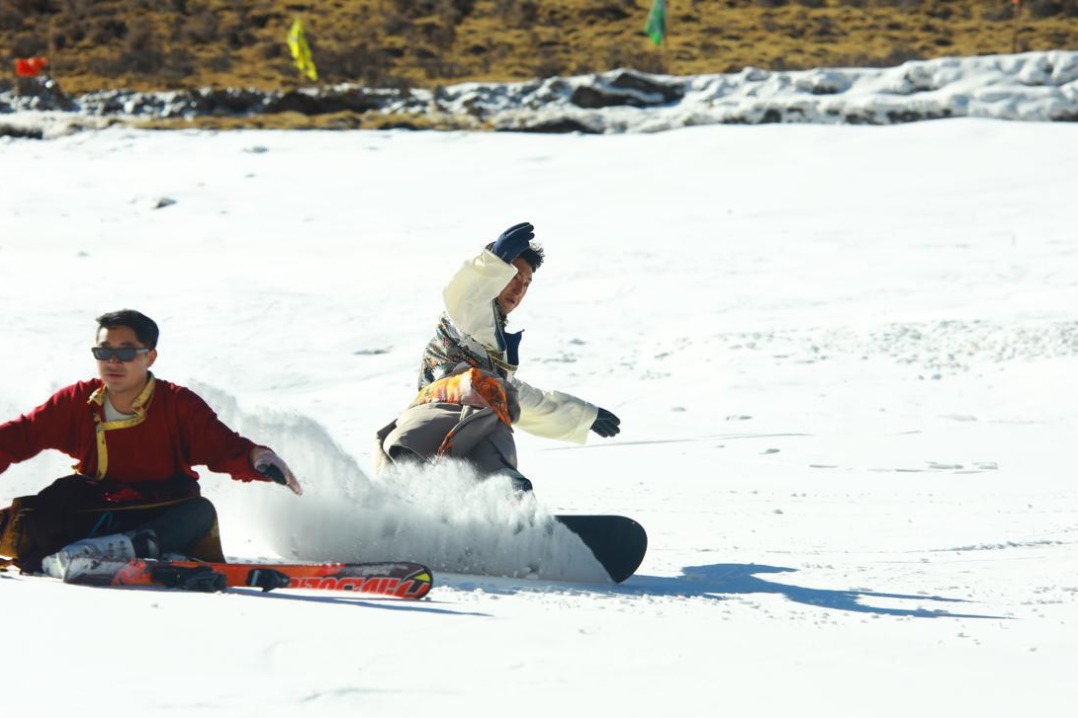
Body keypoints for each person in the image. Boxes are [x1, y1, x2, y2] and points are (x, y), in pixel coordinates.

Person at [0, 309, 301, 578]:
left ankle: (114, 550)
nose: (113, 362)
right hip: (94, 509)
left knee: (198, 513)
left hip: (159, 509)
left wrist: (258, 457)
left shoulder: (177, 404)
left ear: (150, 356)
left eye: (126, 352)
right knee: (23, 520)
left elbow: (224, 446)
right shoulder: (78, 400)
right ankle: (87, 554)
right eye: (104, 352)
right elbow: (20, 436)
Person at [376, 222, 621, 491]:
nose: (519, 289)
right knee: (489, 402)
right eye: (513, 277)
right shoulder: (468, 316)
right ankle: (485, 482)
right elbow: (465, 294)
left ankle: (501, 493)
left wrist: (582, 415)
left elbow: (524, 399)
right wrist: (492, 263)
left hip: (460, 442)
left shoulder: (494, 350)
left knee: (497, 401)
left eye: (526, 283)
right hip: (427, 428)